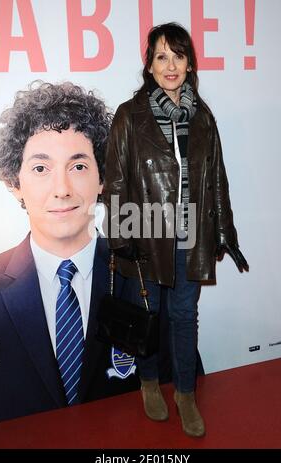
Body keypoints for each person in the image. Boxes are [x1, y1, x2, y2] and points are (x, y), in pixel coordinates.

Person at [103, 22, 248, 438]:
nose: (171, 65)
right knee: (149, 316)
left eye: (178, 56)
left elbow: (217, 177)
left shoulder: (202, 116)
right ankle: (148, 384)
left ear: (189, 64)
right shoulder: (130, 116)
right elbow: (115, 180)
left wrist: (225, 230)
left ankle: (185, 393)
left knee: (185, 316)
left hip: (192, 233)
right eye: (162, 56)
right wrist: (120, 235)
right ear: (148, 65)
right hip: (145, 232)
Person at [0, 81, 140, 423]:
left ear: (103, 178)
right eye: (41, 168)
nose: (62, 189)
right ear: (15, 184)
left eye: (78, 166)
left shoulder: (145, 277)